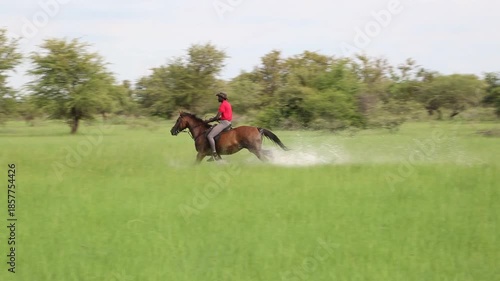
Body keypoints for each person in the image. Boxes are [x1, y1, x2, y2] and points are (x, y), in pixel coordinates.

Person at [204, 92, 232, 161]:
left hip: (224, 123)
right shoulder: (227, 104)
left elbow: (217, 117)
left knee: (210, 136)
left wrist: (208, 121)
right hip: (227, 122)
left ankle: (214, 154)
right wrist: (216, 119)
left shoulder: (223, 104)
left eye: (218, 97)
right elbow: (224, 116)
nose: (218, 99)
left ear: (222, 98)